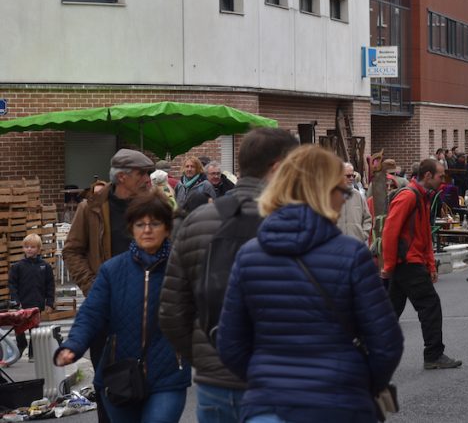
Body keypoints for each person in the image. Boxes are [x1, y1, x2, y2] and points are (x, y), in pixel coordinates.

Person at [216, 145, 403, 423]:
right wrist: (361, 382)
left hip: (268, 406)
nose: (344, 199)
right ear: (324, 193)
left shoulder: (249, 256)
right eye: (343, 191)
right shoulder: (351, 256)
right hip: (339, 401)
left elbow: (230, 343)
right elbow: (386, 342)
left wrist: (264, 377)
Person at [160, 128, 298, 423]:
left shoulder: (198, 221)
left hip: (215, 382)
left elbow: (172, 310)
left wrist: (205, 359)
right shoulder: (298, 223)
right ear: (277, 168)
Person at [56, 193, 191, 422]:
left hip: (168, 374)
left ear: (167, 229)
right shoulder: (112, 270)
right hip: (120, 375)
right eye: (140, 224)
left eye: (155, 223)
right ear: (131, 229)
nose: (147, 230)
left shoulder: (184, 268)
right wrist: (74, 345)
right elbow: (92, 312)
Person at [64, 149, 155, 423]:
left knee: (146, 382)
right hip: (106, 312)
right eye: (142, 173)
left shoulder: (152, 205)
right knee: (109, 383)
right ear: (123, 177)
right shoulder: (89, 208)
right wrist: (93, 287)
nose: (147, 179)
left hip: (144, 307)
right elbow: (72, 251)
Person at [380, 158, 461, 369]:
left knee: (390, 311)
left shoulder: (421, 196)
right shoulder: (409, 196)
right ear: (427, 176)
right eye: (440, 176)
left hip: (407, 262)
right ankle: (433, 355)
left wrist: (431, 265)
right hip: (408, 262)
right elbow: (390, 231)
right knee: (430, 305)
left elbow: (424, 235)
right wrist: (388, 266)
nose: (443, 181)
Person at [9, 233, 55, 358]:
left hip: (37, 303)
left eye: (33, 247)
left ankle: (32, 353)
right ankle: (21, 344)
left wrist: (49, 302)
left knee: (34, 330)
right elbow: (12, 285)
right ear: (23, 248)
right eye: (27, 246)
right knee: (19, 328)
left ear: (39, 249)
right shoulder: (17, 267)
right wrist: (15, 301)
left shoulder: (45, 266)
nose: (29, 249)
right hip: (21, 304)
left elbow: (50, 286)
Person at [338, 162, 372, 244]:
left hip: (356, 244)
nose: (351, 178)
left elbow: (367, 218)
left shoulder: (358, 195)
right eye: (348, 176)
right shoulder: (331, 196)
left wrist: (362, 235)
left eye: (353, 176)